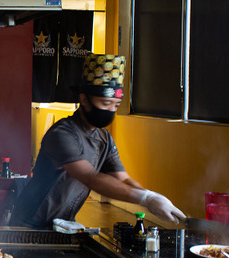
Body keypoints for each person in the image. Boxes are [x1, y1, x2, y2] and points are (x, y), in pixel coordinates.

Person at [10, 53, 186, 229]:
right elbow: (91, 178)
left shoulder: (104, 139)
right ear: (84, 98)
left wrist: (152, 197)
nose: (111, 110)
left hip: (61, 225)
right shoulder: (62, 134)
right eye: (105, 103)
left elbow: (123, 179)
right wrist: (145, 199)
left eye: (116, 105)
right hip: (29, 224)